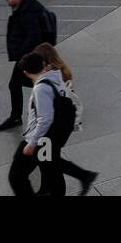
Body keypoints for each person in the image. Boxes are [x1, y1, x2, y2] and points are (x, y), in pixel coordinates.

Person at [29, 43, 98, 194]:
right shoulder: (60, 72)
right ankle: (48, 186)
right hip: (59, 127)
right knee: (46, 158)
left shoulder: (51, 77)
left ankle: (82, 176)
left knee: (49, 160)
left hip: (53, 127)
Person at [8, 52, 75, 197]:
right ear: (44, 64)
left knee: (16, 175)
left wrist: (31, 143)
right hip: (53, 136)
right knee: (53, 172)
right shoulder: (56, 78)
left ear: (26, 72)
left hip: (40, 138)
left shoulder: (41, 88)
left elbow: (45, 119)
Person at [0, 0, 50, 132]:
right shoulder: (23, 10)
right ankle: (55, 97)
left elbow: (33, 35)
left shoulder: (27, 14)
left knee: (15, 84)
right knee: (26, 83)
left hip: (28, 56)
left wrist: (23, 54)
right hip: (28, 55)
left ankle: (16, 117)